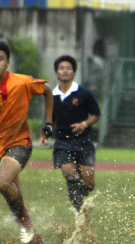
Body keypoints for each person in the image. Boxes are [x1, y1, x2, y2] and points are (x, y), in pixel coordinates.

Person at [0, 40, 53, 244]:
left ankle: (26, 225)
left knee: (2, 181)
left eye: (0, 59)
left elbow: (48, 91)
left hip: (20, 143)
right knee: (11, 194)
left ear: (8, 61)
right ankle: (33, 237)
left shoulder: (22, 82)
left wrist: (49, 123)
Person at [40, 55, 101, 212]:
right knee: (69, 173)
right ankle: (79, 210)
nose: (65, 71)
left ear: (74, 73)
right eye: (61, 68)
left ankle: (79, 198)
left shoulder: (84, 93)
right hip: (62, 142)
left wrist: (84, 124)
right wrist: (45, 134)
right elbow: (50, 120)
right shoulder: (51, 96)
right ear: (56, 73)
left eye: (68, 68)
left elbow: (96, 114)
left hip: (84, 141)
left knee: (89, 183)